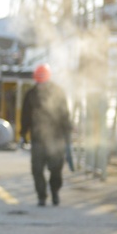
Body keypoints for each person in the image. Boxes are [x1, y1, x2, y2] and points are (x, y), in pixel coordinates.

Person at [20, 63, 72, 206]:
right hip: (38, 139)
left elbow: (65, 114)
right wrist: (23, 134)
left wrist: (68, 133)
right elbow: (25, 116)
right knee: (37, 169)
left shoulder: (58, 92)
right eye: (39, 82)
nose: (41, 85)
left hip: (56, 139)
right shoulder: (30, 94)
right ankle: (41, 196)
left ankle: (55, 191)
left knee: (56, 169)